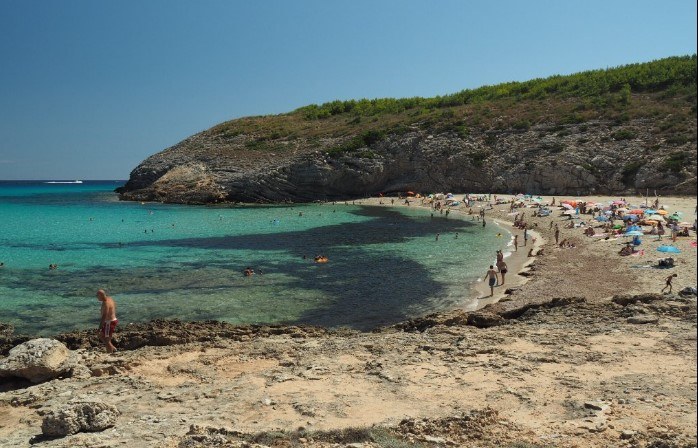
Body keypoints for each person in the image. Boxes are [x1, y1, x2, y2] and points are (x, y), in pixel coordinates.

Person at [96, 289, 118, 353]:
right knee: (100, 335)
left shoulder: (106, 303)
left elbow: (104, 316)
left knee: (107, 339)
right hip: (111, 321)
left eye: (97, 296)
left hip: (109, 322)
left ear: (101, 295)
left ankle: (110, 354)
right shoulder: (110, 299)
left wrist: (99, 328)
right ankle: (113, 348)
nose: (96, 297)